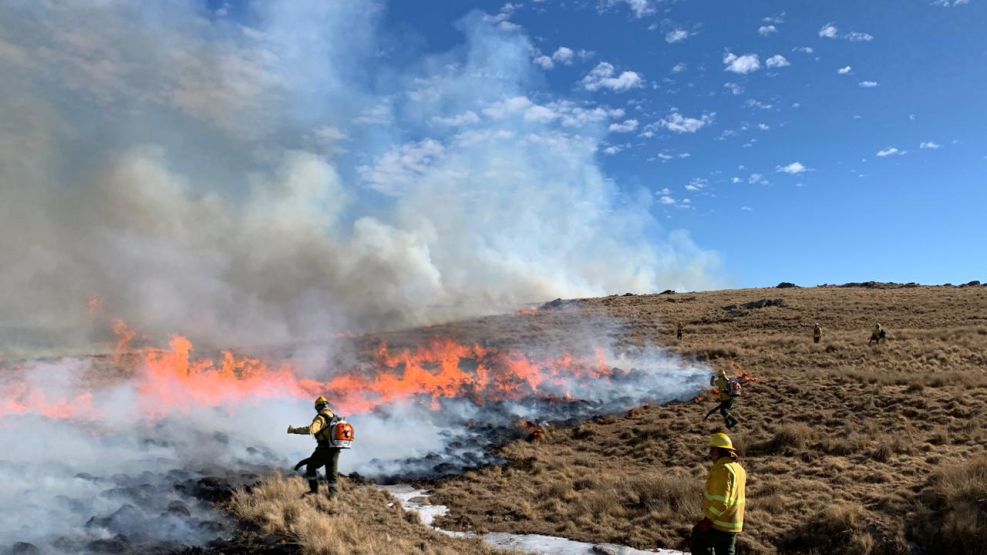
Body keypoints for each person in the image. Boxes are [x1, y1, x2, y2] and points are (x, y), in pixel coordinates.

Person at [691, 433, 747, 555]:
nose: (710, 453)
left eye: (713, 449)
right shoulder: (738, 469)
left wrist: (708, 520)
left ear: (720, 451)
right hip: (732, 524)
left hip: (720, 524)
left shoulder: (723, 469)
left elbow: (721, 502)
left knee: (697, 537)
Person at [288, 395, 342, 498]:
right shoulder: (335, 417)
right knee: (332, 475)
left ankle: (314, 491)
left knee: (311, 466)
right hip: (335, 450)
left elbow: (311, 430)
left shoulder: (321, 417)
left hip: (323, 448)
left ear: (318, 407)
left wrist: (294, 430)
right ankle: (333, 497)